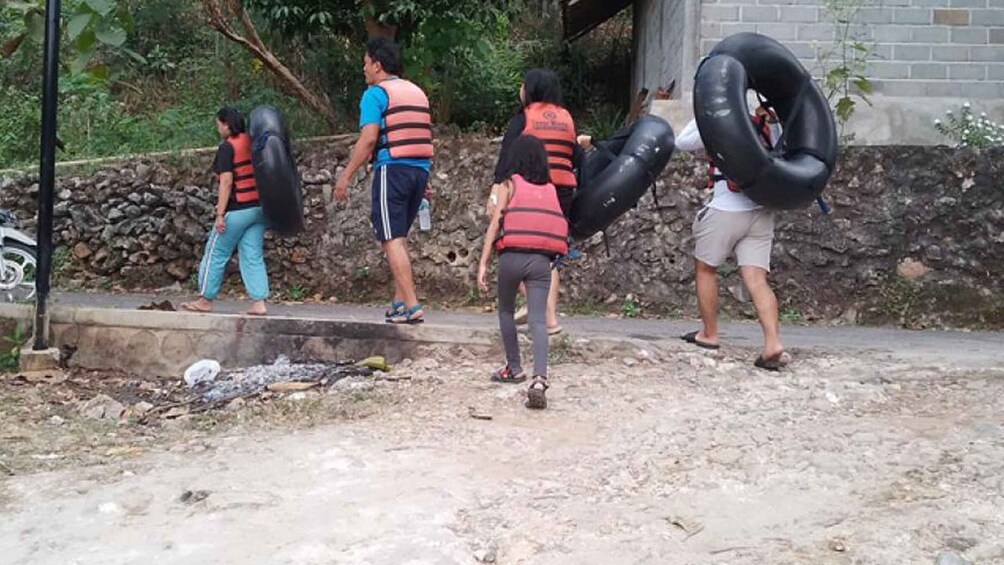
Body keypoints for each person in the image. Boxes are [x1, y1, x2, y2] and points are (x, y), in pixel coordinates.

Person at [674, 106, 785, 370]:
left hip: (727, 209)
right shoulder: (767, 125)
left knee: (705, 269)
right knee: (757, 279)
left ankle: (709, 334)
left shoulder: (719, 123)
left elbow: (682, 142)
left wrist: (702, 112)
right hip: (761, 210)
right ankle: (773, 343)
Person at [334, 37, 433, 324]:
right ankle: (399, 301)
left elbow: (368, 140)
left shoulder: (375, 94)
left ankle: (412, 306)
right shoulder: (417, 92)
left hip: (392, 169)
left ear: (377, 65)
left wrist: (346, 176)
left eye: (365, 64)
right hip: (420, 171)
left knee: (390, 239)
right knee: (398, 238)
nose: (364, 69)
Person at [489, 69, 584, 335]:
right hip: (562, 192)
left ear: (530, 90)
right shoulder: (566, 119)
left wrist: (496, 191)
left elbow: (507, 157)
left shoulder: (523, 119)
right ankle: (548, 318)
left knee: (514, 248)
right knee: (549, 254)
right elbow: (575, 157)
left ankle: (537, 304)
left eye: (523, 85)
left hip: (529, 190)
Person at [479, 135, 568, 409]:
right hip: (541, 263)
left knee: (506, 311)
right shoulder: (551, 189)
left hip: (512, 258)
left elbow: (495, 226)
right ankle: (540, 379)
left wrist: (482, 263)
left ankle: (514, 368)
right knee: (538, 320)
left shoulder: (509, 184)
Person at [181, 107, 269, 316]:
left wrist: (220, 214)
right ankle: (259, 302)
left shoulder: (227, 148)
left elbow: (227, 181)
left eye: (218, 124)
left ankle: (205, 299)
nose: (217, 128)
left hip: (237, 209)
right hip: (258, 208)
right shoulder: (253, 142)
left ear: (226, 125)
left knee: (216, 252)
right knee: (252, 255)